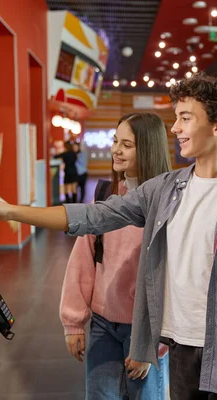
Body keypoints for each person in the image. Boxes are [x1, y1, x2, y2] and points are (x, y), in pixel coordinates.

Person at [0, 73, 217, 400]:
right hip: (176, 348)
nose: (175, 128)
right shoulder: (165, 190)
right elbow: (93, 216)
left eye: (185, 118)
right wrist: (10, 211)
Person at [60, 113, 171, 400]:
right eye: (115, 141)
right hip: (103, 325)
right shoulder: (107, 194)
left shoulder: (168, 203)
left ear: (148, 148)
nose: (116, 150)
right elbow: (83, 260)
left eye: (127, 144)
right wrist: (73, 323)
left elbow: (173, 278)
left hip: (144, 329)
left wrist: (151, 344)